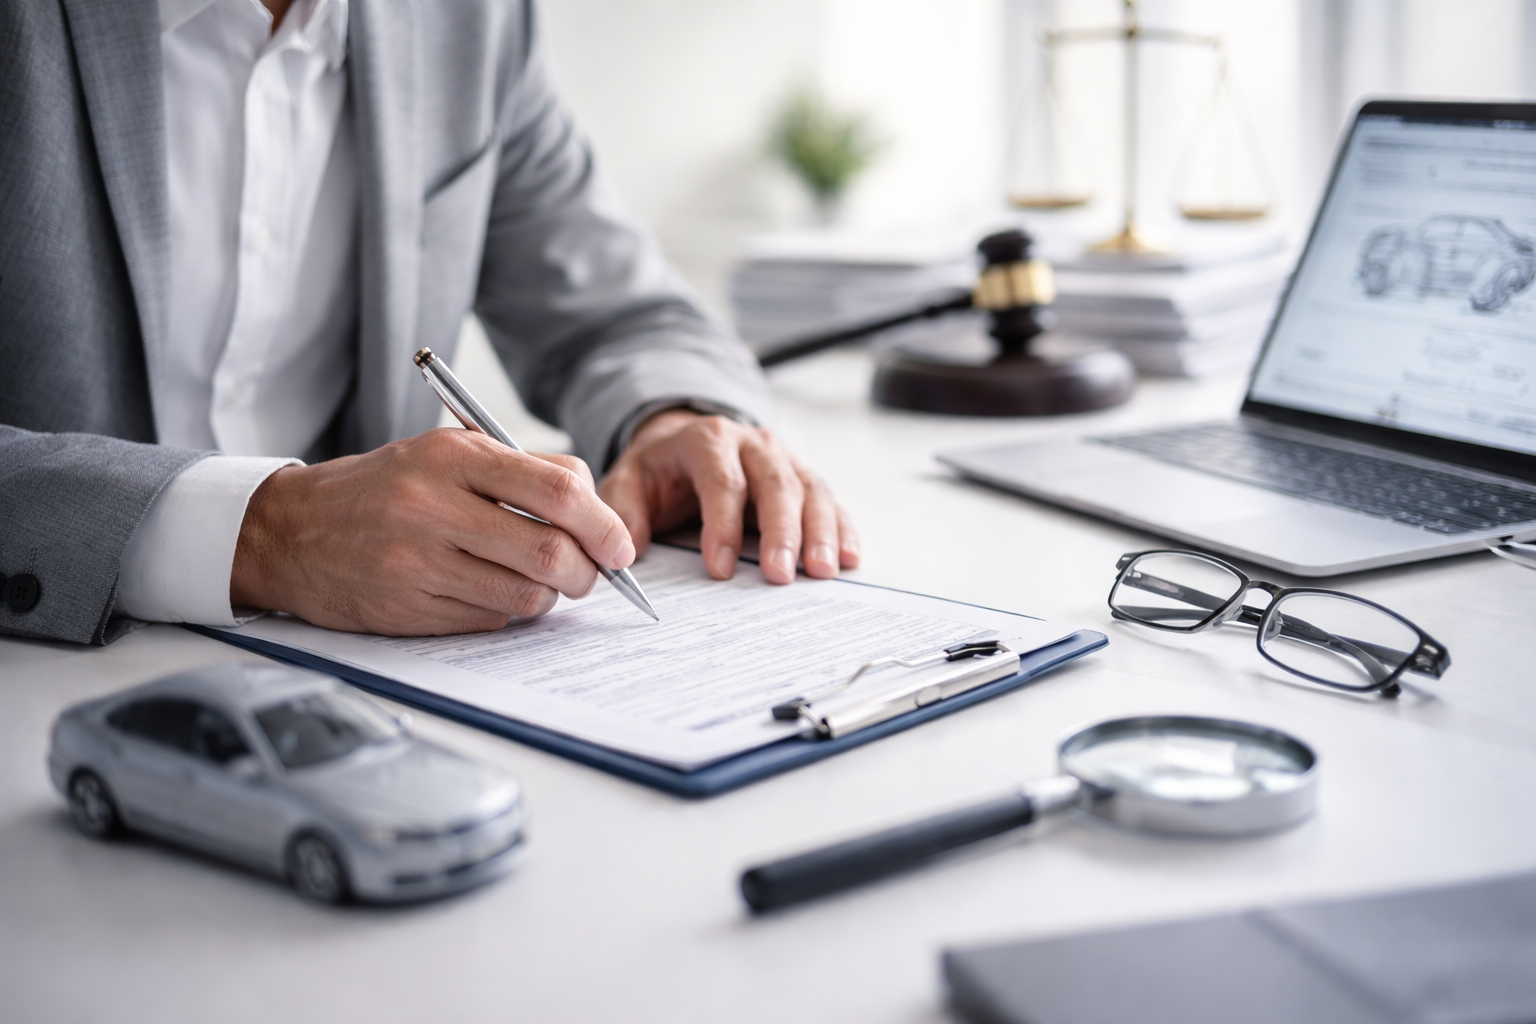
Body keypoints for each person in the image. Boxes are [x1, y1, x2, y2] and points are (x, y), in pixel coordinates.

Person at [0, 0, 858, 645]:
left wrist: (676, 413)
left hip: (373, 693)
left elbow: (619, 308)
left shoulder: (467, 20)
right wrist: (263, 533)